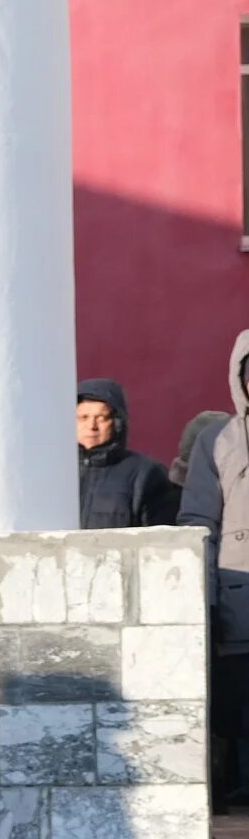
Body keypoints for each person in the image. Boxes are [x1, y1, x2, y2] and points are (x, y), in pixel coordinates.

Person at [178, 331, 249, 802]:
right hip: (238, 600)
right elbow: (198, 522)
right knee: (241, 709)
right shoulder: (218, 439)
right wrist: (203, 597)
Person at [76, 378, 177, 530]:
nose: (92, 426)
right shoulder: (51, 472)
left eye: (101, 418)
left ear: (117, 423)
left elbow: (161, 541)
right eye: (83, 417)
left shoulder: (146, 474)